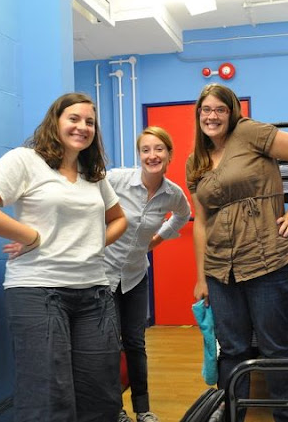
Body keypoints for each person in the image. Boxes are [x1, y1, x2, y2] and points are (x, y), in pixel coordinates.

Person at [0, 92, 128, 422]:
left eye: (90, 122)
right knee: (49, 396)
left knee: (101, 393)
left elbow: (119, 219)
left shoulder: (92, 173)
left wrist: (92, 244)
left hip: (94, 292)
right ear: (55, 121)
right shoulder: (25, 160)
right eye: (74, 119)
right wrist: (32, 236)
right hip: (38, 290)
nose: (83, 127)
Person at [186, 83, 288, 422]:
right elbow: (201, 223)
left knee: (274, 348)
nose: (212, 116)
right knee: (231, 350)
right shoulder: (195, 161)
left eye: (220, 109)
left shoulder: (248, 133)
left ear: (231, 113)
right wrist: (201, 277)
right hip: (220, 269)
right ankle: (232, 416)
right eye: (206, 110)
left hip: (267, 260)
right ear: (198, 114)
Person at [105, 126, 191, 422]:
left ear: (169, 154)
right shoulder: (116, 179)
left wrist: (158, 239)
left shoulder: (172, 194)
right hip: (103, 275)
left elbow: (182, 215)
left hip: (135, 276)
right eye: (146, 150)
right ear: (139, 154)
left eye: (158, 149)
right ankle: (115, 409)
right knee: (109, 344)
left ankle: (143, 409)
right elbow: (86, 198)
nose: (152, 155)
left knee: (135, 342)